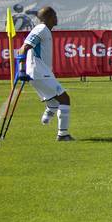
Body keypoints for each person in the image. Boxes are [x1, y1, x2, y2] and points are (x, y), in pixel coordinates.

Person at [15, 7, 74, 141]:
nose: (56, 18)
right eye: (54, 15)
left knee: (54, 102)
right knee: (65, 99)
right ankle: (63, 134)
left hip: (43, 72)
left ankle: (46, 119)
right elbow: (23, 49)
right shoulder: (41, 29)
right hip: (39, 72)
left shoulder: (44, 30)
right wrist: (22, 69)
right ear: (48, 17)